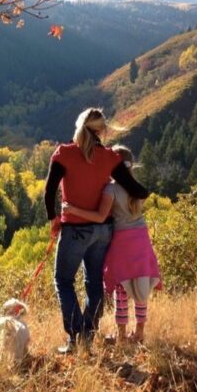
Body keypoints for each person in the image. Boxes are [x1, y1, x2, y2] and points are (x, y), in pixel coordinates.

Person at [44, 108, 149, 353]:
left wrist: (54, 220)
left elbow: (49, 192)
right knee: (94, 283)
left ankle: (76, 337)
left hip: (74, 230)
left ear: (78, 126)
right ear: (102, 130)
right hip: (103, 231)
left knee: (63, 280)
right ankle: (89, 332)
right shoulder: (110, 157)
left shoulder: (64, 153)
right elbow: (139, 191)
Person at [63, 145, 161, 344]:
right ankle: (140, 332)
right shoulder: (136, 187)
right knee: (141, 285)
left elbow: (100, 217)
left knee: (121, 289)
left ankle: (122, 335)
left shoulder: (111, 189)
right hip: (142, 239)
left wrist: (73, 210)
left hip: (122, 241)